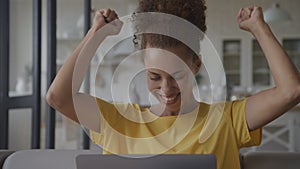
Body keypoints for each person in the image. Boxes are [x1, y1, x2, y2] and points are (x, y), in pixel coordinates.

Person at [46, 0, 300, 169]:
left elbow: (291, 92)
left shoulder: (225, 120)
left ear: (196, 66)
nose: (166, 90)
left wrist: (260, 29)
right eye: (154, 77)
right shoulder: (117, 120)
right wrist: (96, 34)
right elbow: (58, 97)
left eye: (177, 75)